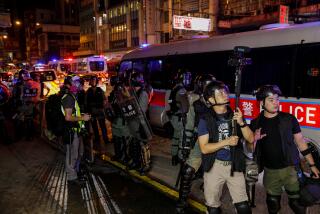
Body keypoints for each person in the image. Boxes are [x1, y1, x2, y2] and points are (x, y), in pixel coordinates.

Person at [251, 85, 320, 214]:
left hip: (291, 169)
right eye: (271, 100)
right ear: (262, 102)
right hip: (270, 171)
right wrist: (254, 139)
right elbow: (250, 149)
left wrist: (312, 165)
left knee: (297, 203)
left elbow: (301, 142)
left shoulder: (289, 119)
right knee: (272, 204)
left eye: (277, 99)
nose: (276, 103)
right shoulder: (255, 123)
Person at [198, 80, 254, 214]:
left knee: (243, 206)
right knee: (213, 207)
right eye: (220, 92)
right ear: (211, 99)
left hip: (234, 165)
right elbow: (204, 148)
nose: (225, 94)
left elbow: (251, 138)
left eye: (225, 91)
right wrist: (226, 142)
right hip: (214, 166)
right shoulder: (205, 119)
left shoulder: (235, 114)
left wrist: (241, 122)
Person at [176, 73, 216, 213]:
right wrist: (185, 147)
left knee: (214, 175)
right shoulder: (196, 103)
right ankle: (182, 202)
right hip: (200, 141)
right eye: (207, 86)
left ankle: (212, 205)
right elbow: (188, 127)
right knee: (187, 171)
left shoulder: (220, 101)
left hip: (217, 142)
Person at [61, 75, 91, 184]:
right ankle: (71, 177)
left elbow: (74, 113)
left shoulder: (73, 96)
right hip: (70, 131)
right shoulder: (68, 97)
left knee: (78, 153)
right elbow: (68, 117)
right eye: (76, 82)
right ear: (70, 84)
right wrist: (83, 118)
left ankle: (75, 172)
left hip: (75, 130)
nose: (79, 85)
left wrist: (81, 117)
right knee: (71, 156)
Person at [125, 71, 152, 174]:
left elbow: (142, 111)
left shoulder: (143, 93)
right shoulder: (134, 92)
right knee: (134, 144)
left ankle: (146, 165)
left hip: (142, 123)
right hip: (134, 123)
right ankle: (136, 162)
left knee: (143, 145)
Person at [168, 70, 192, 166]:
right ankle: (181, 158)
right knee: (182, 139)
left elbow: (171, 102)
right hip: (179, 118)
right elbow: (186, 107)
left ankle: (174, 157)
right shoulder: (182, 90)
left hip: (174, 117)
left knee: (175, 137)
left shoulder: (175, 88)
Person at [107, 76, 130, 162]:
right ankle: (119, 155)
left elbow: (127, 100)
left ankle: (125, 157)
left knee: (123, 139)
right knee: (117, 139)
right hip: (116, 119)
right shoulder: (114, 93)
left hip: (121, 119)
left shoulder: (120, 91)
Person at [86, 75, 110, 148]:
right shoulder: (88, 91)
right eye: (92, 80)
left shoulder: (100, 90)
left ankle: (106, 139)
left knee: (103, 126)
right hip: (92, 111)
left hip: (100, 111)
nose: (93, 82)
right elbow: (86, 102)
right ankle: (97, 139)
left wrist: (104, 106)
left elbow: (105, 99)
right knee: (94, 127)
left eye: (94, 80)